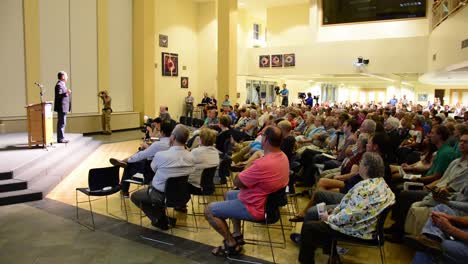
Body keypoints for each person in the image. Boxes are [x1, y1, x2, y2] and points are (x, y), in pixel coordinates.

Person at [204, 126, 289, 257]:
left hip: (256, 207)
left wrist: (251, 161)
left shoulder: (262, 164)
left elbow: (237, 182)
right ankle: (237, 234)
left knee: (209, 210)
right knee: (228, 194)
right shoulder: (283, 157)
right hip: (268, 203)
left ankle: (231, 244)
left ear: (265, 139)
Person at [297, 152, 395, 264]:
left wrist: (329, 218)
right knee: (320, 201)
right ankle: (330, 252)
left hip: (358, 230)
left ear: (366, 167)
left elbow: (348, 216)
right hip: (365, 225)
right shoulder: (380, 183)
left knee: (309, 227)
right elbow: (353, 210)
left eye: (360, 163)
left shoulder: (365, 189)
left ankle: (307, 257)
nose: (359, 165)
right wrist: (335, 213)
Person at [130, 124, 194, 230]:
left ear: (172, 138)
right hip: (182, 194)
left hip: (160, 195)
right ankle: (163, 218)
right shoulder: (191, 156)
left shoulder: (161, 155)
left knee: (136, 196)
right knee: (156, 186)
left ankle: (159, 219)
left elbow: (154, 168)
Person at [109, 121, 174, 197]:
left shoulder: (158, 144)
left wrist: (128, 159)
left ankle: (124, 191)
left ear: (162, 132)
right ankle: (125, 162)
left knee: (130, 164)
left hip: (152, 171)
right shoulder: (173, 143)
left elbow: (142, 155)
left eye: (158, 130)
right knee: (140, 157)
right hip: (167, 171)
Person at [54, 71, 71, 143]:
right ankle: (60, 139)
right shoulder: (59, 85)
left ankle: (61, 138)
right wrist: (66, 93)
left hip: (64, 107)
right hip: (61, 107)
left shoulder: (62, 84)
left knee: (62, 123)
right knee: (61, 123)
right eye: (66, 76)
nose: (67, 77)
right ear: (63, 77)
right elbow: (58, 95)